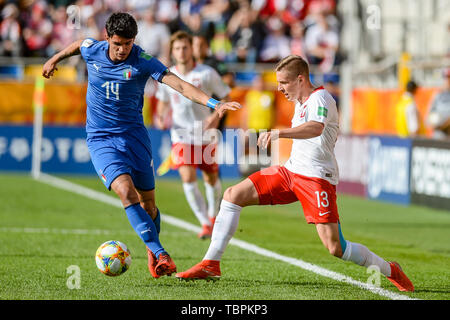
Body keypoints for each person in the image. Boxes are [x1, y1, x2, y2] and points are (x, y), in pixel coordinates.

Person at [175, 55, 415, 293]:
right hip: (290, 172)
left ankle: (390, 269)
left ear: (300, 79)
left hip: (317, 178)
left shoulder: (321, 98)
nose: (279, 88)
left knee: (335, 247)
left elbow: (315, 128)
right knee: (232, 195)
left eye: (284, 82)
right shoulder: (300, 102)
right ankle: (210, 263)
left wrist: (280, 133)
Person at [42, 12, 240, 279]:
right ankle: (160, 253)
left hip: (135, 138)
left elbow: (180, 85)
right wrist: (54, 58)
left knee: (149, 205)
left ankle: (151, 250)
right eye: (118, 44)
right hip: (101, 139)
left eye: (128, 43)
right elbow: (78, 44)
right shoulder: (93, 50)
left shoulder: (144, 60)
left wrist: (215, 104)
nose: (123, 50)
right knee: (125, 192)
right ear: (107, 38)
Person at [155, 31, 231, 239]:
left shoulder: (207, 73)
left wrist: (214, 118)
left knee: (210, 177)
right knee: (187, 178)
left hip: (206, 134)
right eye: (177, 48)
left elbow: (225, 96)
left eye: (185, 47)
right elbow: (162, 100)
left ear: (192, 49)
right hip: (180, 135)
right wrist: (160, 116)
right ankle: (206, 224)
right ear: (172, 51)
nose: (181, 51)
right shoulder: (167, 75)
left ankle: (214, 216)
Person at [426, 68, 450, 139]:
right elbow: (428, 117)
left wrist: (445, 125)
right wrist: (433, 124)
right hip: (438, 136)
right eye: (446, 78)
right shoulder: (438, 95)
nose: (448, 80)